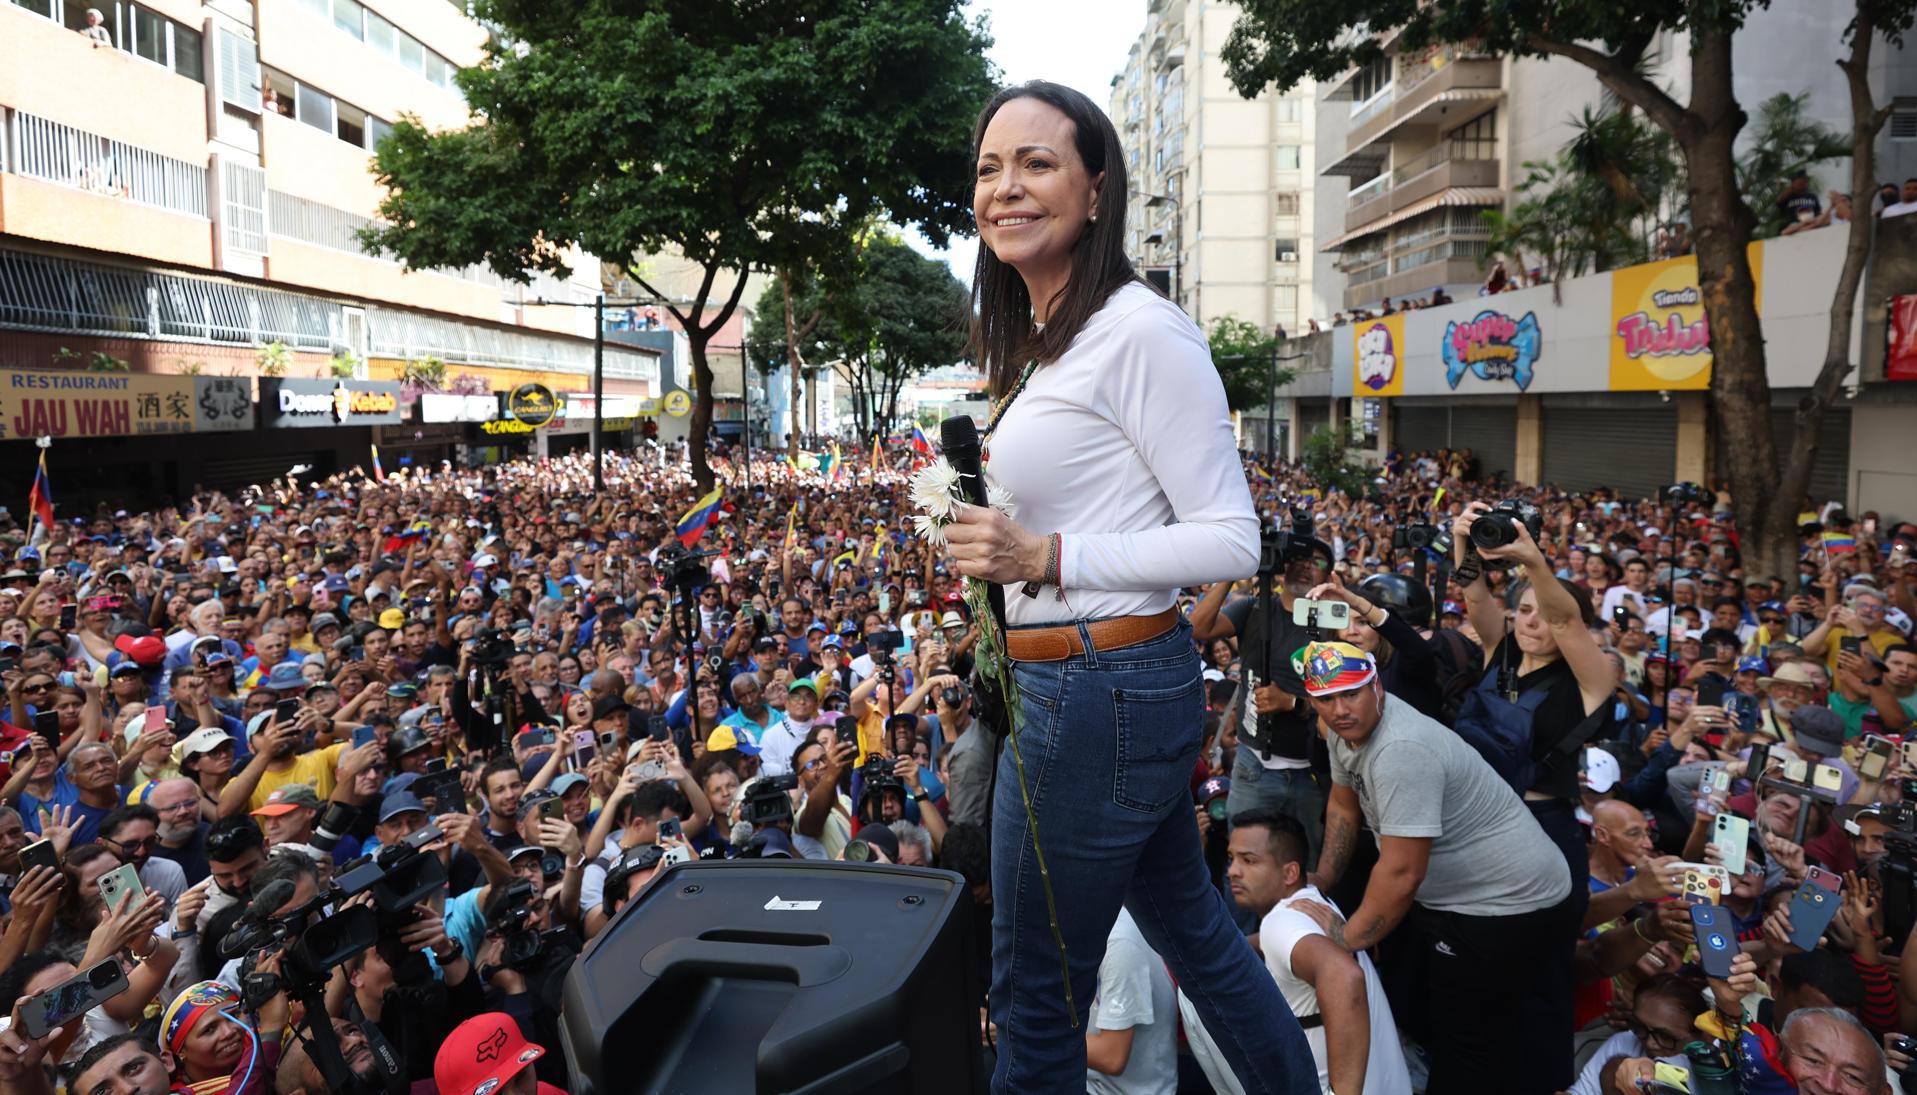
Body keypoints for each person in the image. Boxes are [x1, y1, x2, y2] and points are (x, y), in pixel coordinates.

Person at [939, 80, 1315, 1093]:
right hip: (1095, 687)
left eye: (1036, 163)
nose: (1005, 187)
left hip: (1093, 692)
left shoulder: (1140, 330)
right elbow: (1096, 504)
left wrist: (1047, 559)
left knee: (1035, 995)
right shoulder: (1047, 334)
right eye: (988, 168)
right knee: (1200, 943)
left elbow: (1230, 531)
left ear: (1096, 190)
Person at [1295, 640, 1574, 1094]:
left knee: (1466, 1042)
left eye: (1352, 693)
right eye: (1327, 699)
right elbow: (1344, 808)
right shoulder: (1343, 732)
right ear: (1313, 702)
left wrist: (1349, 937)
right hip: (1462, 898)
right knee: (1428, 1013)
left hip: (1506, 903)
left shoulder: (1401, 749)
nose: (1341, 708)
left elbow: (1404, 873)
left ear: (1377, 688)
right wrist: (1324, 879)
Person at [1224, 809, 1411, 1094]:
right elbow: (1272, 941)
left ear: (1290, 872)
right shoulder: (1316, 904)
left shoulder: (1282, 921)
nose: (1233, 871)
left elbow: (1343, 976)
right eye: (1231, 858)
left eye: (1249, 860)